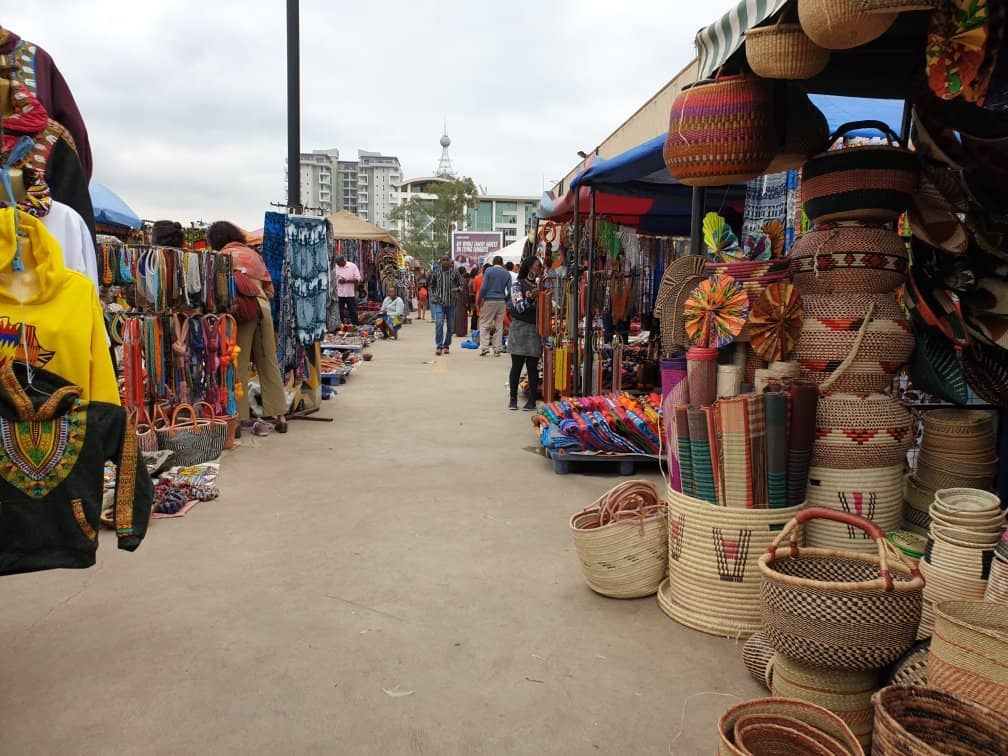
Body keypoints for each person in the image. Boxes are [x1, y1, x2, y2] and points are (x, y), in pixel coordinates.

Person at [208, 220, 288, 435]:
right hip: (263, 309)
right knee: (268, 361)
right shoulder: (254, 255)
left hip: (241, 314)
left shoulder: (222, 257)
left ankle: (240, 417)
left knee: (238, 364)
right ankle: (280, 414)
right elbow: (270, 289)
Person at [507, 255, 544, 411]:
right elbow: (519, 308)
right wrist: (531, 299)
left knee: (532, 367)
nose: (539, 269)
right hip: (520, 328)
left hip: (535, 328)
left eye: (540, 267)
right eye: (537, 266)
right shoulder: (517, 285)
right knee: (516, 365)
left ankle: (532, 401)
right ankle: (513, 399)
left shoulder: (541, 286)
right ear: (529, 267)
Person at [428, 255, 463, 356]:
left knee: (451, 326)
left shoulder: (455, 272)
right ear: (440, 262)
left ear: (450, 261)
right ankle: (439, 346)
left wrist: (456, 290)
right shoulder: (436, 273)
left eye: (447, 260)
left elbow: (461, 285)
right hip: (439, 303)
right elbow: (431, 286)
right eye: (443, 260)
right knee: (439, 323)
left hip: (451, 303)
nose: (445, 262)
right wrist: (434, 296)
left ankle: (446, 345)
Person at [477, 255, 511, 357]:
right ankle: (497, 349)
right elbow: (510, 290)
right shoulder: (506, 273)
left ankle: (484, 347)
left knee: (484, 324)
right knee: (499, 325)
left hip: (489, 300)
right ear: (501, 263)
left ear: (493, 262)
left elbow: (483, 287)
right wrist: (506, 298)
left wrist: (479, 300)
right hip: (501, 301)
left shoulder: (489, 271)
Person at [333, 253, 362, 325]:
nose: (338, 265)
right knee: (339, 311)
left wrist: (346, 281)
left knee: (352, 310)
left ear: (343, 261)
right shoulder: (335, 267)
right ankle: (340, 325)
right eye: (337, 264)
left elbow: (358, 279)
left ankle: (355, 325)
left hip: (349, 293)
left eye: (339, 263)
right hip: (339, 293)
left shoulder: (352, 266)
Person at [454, 267, 470, 338]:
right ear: (463, 272)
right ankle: (461, 332)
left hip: (457, 299)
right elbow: (464, 292)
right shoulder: (462, 280)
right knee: (462, 317)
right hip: (462, 300)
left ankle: (458, 331)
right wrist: (466, 301)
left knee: (458, 316)